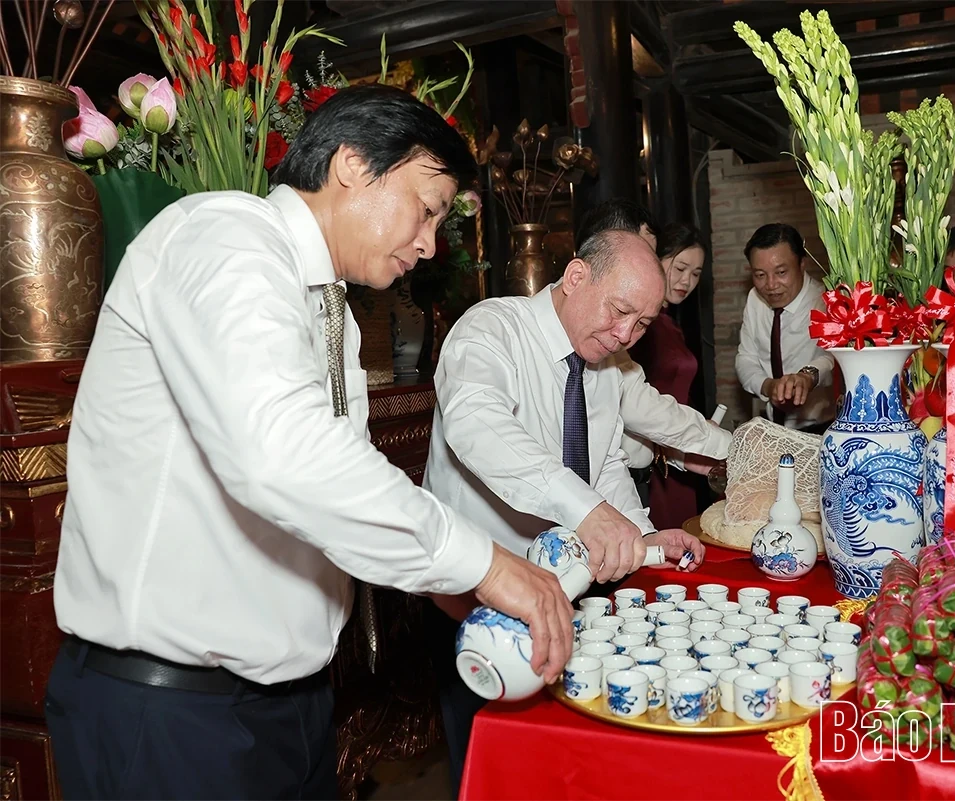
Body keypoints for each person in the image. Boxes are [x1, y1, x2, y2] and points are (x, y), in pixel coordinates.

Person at [44, 85, 574, 800]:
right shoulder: (224, 236)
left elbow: (332, 488)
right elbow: (282, 455)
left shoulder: (332, 310)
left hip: (288, 703)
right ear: (353, 164)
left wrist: (439, 577)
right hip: (173, 714)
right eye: (426, 208)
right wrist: (480, 562)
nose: (429, 243)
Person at [423, 228, 706, 790]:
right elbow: (477, 423)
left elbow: (603, 466)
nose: (625, 334)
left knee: (562, 771)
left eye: (642, 324)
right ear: (576, 277)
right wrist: (587, 512)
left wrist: (641, 536)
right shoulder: (491, 330)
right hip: (478, 601)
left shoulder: (604, 363)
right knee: (493, 774)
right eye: (620, 311)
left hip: (563, 596)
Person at [576, 199, 730, 508]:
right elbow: (638, 407)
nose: (625, 334)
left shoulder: (639, 326)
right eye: (679, 268)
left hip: (655, 459)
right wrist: (732, 445)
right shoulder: (612, 329)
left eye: (696, 273)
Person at [628, 222, 719, 529]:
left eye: (696, 273)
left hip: (680, 452)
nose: (686, 281)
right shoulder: (643, 325)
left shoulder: (667, 323)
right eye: (680, 268)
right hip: (653, 457)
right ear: (654, 259)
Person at [735, 223, 836, 433]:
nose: (771, 285)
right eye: (760, 275)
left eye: (781, 272)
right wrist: (768, 386)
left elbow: (831, 358)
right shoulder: (755, 299)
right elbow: (746, 358)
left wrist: (807, 377)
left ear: (802, 264)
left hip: (822, 428)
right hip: (773, 427)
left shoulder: (825, 301)